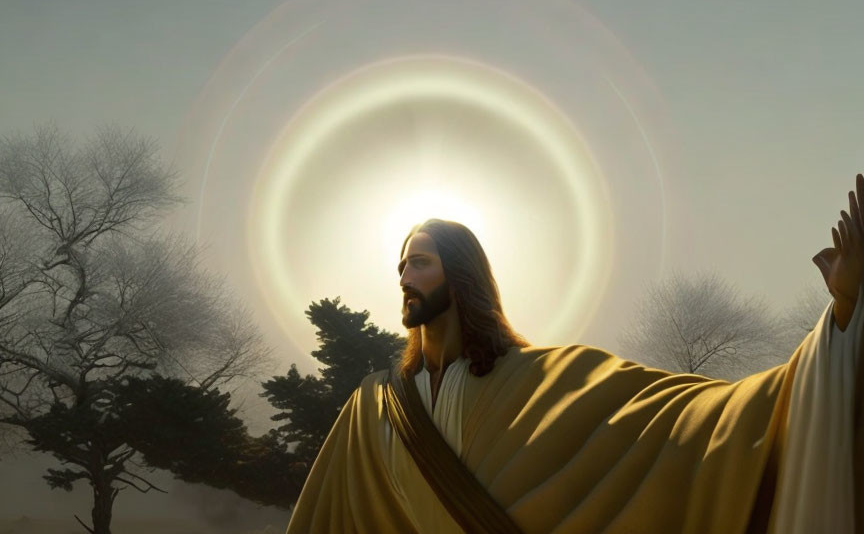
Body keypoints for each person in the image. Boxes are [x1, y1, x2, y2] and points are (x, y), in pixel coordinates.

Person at [285, 174, 864, 534]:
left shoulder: (545, 378)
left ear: (458, 276)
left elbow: (688, 425)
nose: (404, 276)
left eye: (420, 262)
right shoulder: (372, 407)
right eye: (401, 264)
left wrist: (841, 318)